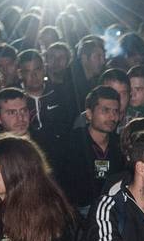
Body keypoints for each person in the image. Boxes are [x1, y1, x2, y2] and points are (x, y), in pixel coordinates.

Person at [51, 85, 125, 214]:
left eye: (115, 111)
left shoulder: (120, 145)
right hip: (76, 212)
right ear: (89, 114)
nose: (112, 117)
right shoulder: (69, 144)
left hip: (112, 209)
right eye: (105, 110)